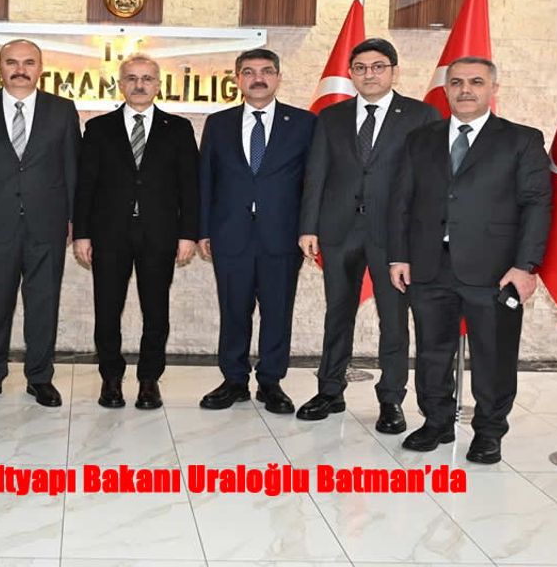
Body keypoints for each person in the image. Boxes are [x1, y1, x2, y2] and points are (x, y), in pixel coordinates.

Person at [388, 56, 551, 464]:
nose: (465, 90)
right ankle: (436, 422)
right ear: (446, 89)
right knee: (431, 351)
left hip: (496, 271)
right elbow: (402, 201)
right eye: (457, 82)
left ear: (493, 88)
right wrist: (399, 256)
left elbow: (536, 205)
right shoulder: (420, 139)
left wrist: (525, 266)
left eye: (476, 82)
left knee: (493, 355)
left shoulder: (521, 140)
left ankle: (489, 432)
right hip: (429, 264)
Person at [297, 38, 440, 430]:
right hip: (338, 230)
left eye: (378, 67)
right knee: (337, 314)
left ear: (394, 71)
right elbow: (316, 174)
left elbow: (429, 181)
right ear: (351, 74)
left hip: (394, 236)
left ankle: (391, 400)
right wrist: (308, 226)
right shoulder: (331, 116)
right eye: (360, 68)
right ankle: (330, 390)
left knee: (393, 320)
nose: (369, 74)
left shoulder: (421, 115)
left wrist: (421, 237)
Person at [0, 39, 81, 408]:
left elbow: (73, 168)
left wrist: (76, 220)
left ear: (40, 68)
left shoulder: (62, 110)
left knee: (43, 304)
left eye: (29, 62)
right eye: (11, 62)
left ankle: (40, 378)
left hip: (47, 225)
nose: (20, 69)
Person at [73, 54, 199, 410]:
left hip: (160, 234)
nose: (139, 85)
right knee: (107, 309)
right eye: (131, 78)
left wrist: (188, 233)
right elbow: (85, 185)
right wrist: (82, 233)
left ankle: (148, 381)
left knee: (156, 311)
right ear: (120, 84)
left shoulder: (179, 128)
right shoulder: (98, 128)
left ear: (158, 85)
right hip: (109, 234)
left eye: (146, 78)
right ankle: (111, 379)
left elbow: (190, 186)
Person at [197, 48, 315, 414]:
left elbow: (313, 182)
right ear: (237, 79)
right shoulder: (219, 123)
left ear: (278, 77)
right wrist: (203, 230)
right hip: (229, 233)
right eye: (248, 72)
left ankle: (270, 382)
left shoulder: (304, 123)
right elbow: (206, 179)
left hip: (283, 235)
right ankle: (234, 380)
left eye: (266, 71)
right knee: (233, 309)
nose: (258, 78)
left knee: (277, 311)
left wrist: (309, 229)